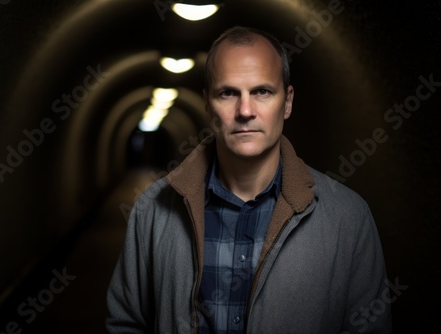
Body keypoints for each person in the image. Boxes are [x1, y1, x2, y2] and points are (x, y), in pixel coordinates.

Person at [106, 25, 391, 333]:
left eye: (262, 92)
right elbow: (127, 323)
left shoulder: (348, 218)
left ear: (288, 101)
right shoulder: (153, 209)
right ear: (207, 105)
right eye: (228, 93)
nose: (245, 110)